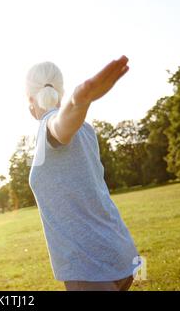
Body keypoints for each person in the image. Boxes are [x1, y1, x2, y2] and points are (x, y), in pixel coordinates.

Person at [26, 56, 141, 291]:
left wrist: (80, 100)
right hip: (119, 252)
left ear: (30, 99)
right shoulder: (86, 129)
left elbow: (60, 127)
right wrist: (78, 103)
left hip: (90, 266)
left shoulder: (50, 124)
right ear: (61, 90)